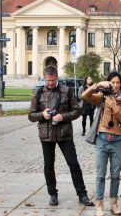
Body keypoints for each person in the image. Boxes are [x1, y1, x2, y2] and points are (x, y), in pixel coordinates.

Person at [28, 65, 94, 207]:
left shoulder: (67, 90)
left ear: (57, 77)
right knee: (48, 165)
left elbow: (77, 110)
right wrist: (42, 115)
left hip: (64, 133)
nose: (50, 83)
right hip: (46, 134)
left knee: (73, 164)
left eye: (53, 80)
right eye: (48, 80)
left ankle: (82, 194)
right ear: (44, 79)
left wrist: (62, 117)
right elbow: (31, 115)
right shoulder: (38, 92)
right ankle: (53, 194)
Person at [81, 72, 121, 216]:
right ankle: (99, 205)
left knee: (115, 175)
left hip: (118, 140)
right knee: (100, 175)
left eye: (118, 82)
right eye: (112, 82)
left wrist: (114, 107)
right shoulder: (102, 97)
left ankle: (114, 204)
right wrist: (97, 85)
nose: (115, 85)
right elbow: (84, 96)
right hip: (102, 139)